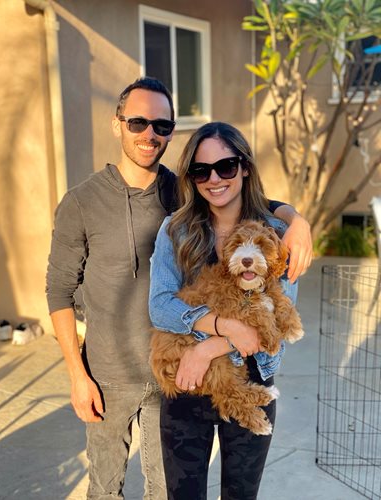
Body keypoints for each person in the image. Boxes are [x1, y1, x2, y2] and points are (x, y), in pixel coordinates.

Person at [46, 77, 311, 499]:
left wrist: (298, 221)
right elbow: (145, 303)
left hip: (224, 378)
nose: (214, 178)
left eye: (161, 125)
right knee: (127, 489)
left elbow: (277, 324)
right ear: (118, 125)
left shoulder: (245, 222)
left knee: (204, 492)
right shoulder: (154, 218)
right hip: (148, 379)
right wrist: (78, 376)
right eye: (137, 122)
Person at [149, 121, 312, 500]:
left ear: (244, 167)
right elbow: (160, 306)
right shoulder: (176, 230)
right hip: (186, 386)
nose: (214, 179)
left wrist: (207, 347)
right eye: (201, 170)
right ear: (191, 176)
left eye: (225, 167)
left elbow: (275, 323)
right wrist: (223, 326)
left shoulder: (277, 234)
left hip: (250, 378)